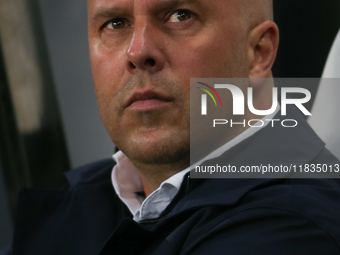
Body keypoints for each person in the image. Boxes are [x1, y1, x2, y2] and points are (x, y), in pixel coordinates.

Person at [3, 0, 340, 254]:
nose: (138, 52)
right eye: (115, 23)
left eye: (180, 15)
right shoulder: (85, 196)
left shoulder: (291, 228)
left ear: (258, 52)